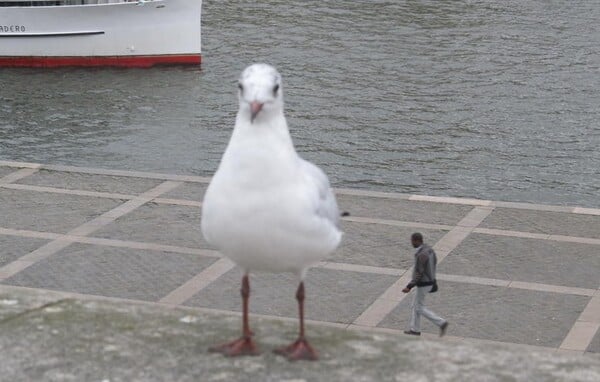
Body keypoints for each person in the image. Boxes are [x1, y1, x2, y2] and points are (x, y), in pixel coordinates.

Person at [402, 232, 449, 337]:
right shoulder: (430, 250)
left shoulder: (421, 254)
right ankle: (415, 329)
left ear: (417, 240)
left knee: (419, 307)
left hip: (423, 283)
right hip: (430, 281)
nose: (411, 243)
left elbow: (419, 273)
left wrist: (409, 286)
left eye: (412, 241)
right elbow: (434, 263)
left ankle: (441, 322)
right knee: (415, 306)